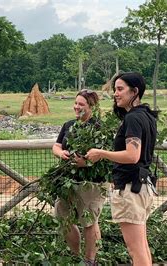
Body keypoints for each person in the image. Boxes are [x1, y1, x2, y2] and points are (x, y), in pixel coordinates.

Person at [85, 72, 158, 266]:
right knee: (141, 246)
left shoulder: (133, 118)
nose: (115, 94)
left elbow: (132, 155)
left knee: (136, 250)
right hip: (142, 186)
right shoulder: (147, 116)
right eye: (115, 89)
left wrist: (101, 153)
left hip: (130, 189)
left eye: (120, 89)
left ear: (135, 92)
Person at [52, 89, 107, 265]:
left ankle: (90, 261)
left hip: (91, 183)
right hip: (68, 181)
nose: (76, 107)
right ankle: (75, 256)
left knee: (89, 221)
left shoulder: (100, 128)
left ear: (92, 106)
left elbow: (107, 157)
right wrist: (61, 154)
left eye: (81, 104)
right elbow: (56, 145)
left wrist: (86, 163)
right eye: (75, 103)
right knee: (62, 216)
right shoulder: (68, 125)